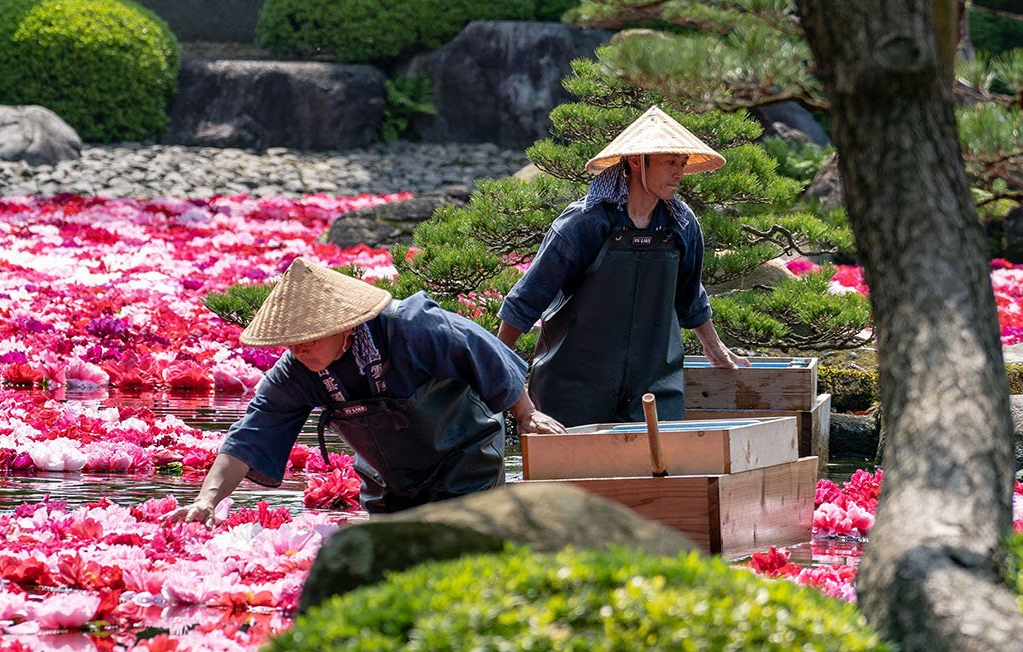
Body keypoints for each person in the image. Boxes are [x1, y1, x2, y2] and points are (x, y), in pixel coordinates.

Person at [172, 258, 564, 523]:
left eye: (308, 338)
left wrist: (527, 414)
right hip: (388, 482)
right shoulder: (296, 372)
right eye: (290, 342)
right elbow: (250, 437)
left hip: (464, 464)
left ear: (344, 325)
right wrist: (207, 499)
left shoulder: (412, 328)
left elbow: (485, 353)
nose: (298, 349)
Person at [495, 105, 749, 428]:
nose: (680, 173)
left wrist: (714, 348)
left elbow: (689, 296)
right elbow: (523, 303)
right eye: (671, 162)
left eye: (682, 163)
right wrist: (498, 373)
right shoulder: (584, 224)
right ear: (635, 160)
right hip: (573, 392)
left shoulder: (682, 226)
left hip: (653, 390)